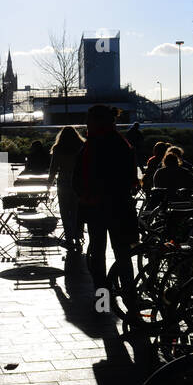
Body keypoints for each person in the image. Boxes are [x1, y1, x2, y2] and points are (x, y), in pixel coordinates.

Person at [72, 105, 140, 315]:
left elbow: (78, 180)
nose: (86, 124)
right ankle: (131, 299)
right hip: (119, 208)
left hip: (96, 209)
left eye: (88, 120)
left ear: (96, 122)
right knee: (123, 255)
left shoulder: (91, 145)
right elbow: (130, 176)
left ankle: (102, 300)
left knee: (98, 255)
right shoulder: (121, 143)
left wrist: (85, 196)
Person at [48, 125, 85, 250]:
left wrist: (48, 184)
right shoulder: (81, 146)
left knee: (65, 211)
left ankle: (69, 238)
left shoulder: (58, 148)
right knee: (77, 211)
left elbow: (53, 168)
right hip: (79, 180)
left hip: (63, 180)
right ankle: (78, 237)